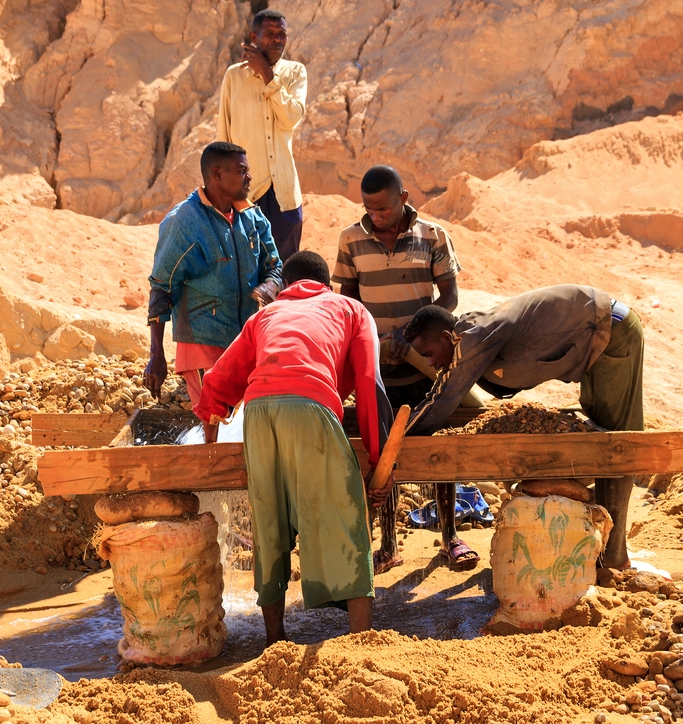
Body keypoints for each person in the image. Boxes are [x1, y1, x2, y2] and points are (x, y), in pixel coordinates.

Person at [193, 250, 395, 645]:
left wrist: (210, 430)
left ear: (284, 288)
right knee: (344, 518)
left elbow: (219, 379)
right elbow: (370, 383)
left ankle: (275, 640)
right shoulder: (350, 309)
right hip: (312, 406)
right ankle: (361, 640)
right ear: (328, 286)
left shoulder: (265, 316)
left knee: (270, 521)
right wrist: (375, 458)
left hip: (260, 413)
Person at [403, 284, 644, 570]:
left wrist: (400, 440)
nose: (429, 362)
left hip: (611, 332)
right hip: (592, 344)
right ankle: (598, 545)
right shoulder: (469, 335)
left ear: (446, 337)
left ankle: (614, 557)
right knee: (601, 433)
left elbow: (444, 396)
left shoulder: (475, 336)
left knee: (616, 445)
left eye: (429, 353)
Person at [334, 164, 466, 572]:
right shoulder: (350, 241)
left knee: (438, 448)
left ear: (403, 199)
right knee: (383, 455)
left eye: (384, 209)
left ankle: (450, 538)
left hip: (424, 368)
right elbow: (349, 303)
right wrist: (371, 344)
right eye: (369, 209)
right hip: (378, 371)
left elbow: (451, 296)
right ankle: (388, 545)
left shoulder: (433, 236)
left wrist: (414, 333)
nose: (376, 216)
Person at [143, 141, 282, 422]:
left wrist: (269, 287)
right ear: (216, 174)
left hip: (247, 342)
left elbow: (275, 267)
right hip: (203, 342)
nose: (249, 177)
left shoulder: (253, 217)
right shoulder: (184, 221)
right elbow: (162, 288)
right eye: (242, 171)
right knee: (216, 421)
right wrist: (156, 355)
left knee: (245, 423)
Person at [217, 9, 307, 259]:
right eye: (270, 34)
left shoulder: (295, 73)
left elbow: (291, 117)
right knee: (247, 271)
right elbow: (224, 136)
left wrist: (268, 75)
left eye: (282, 34)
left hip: (285, 196)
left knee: (286, 271)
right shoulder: (234, 76)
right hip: (247, 194)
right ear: (253, 36)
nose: (278, 40)